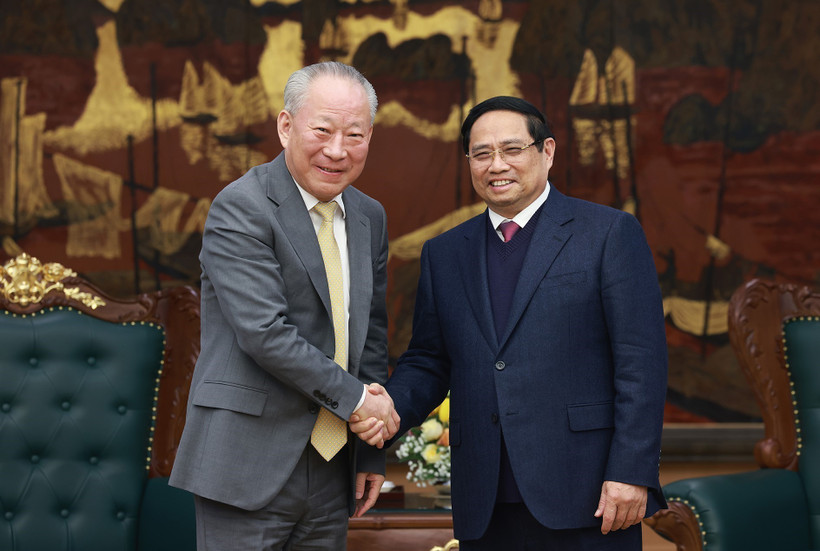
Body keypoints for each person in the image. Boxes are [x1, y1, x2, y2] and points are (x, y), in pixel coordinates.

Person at [355, 96, 668, 550]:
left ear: (548, 152)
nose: (496, 165)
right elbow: (428, 361)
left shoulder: (607, 233)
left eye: (512, 149)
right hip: (485, 497)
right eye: (481, 154)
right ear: (469, 163)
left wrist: (630, 472)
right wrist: (384, 416)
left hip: (589, 494)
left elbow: (641, 362)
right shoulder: (445, 253)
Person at [170, 61, 399, 551]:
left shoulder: (368, 216)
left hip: (335, 465)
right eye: (322, 130)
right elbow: (264, 332)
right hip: (247, 463)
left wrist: (371, 449)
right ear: (286, 125)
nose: (337, 150)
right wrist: (362, 403)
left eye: (354, 135)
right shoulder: (241, 206)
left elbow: (371, 336)